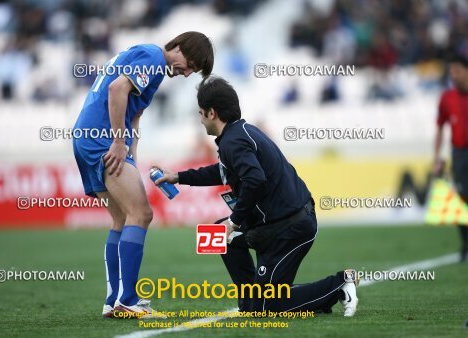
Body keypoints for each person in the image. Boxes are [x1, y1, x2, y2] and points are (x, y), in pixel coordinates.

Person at [153, 76, 359, 316]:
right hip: (275, 225)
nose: (200, 120)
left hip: (290, 230)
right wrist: (178, 177)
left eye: (200, 113)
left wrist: (234, 221)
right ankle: (252, 301)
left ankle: (340, 284)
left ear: (211, 113)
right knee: (219, 238)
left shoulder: (234, 141)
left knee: (267, 306)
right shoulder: (237, 134)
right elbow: (221, 172)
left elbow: (255, 180)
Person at [72, 32, 214, 318]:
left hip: (87, 137)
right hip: (101, 139)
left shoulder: (153, 64)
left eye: (193, 71)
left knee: (121, 218)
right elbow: (116, 90)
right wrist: (117, 142)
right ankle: (128, 300)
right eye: (190, 65)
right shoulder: (152, 56)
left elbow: (133, 115)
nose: (186, 74)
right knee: (142, 214)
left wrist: (133, 157)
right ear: (179, 47)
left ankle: (114, 301)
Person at [433, 53, 468, 262]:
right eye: (451, 71)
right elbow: (440, 127)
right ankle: (466, 243)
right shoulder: (447, 97)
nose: (453, 75)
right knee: (461, 201)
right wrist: (437, 157)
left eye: (457, 71)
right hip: (459, 153)